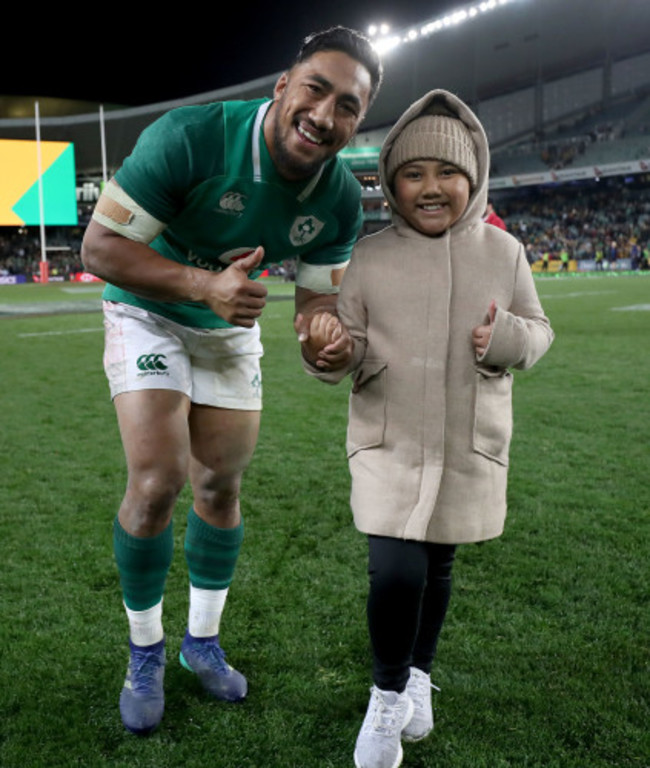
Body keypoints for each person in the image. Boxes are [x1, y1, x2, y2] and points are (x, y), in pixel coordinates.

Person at [80, 25, 383, 736]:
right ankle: (145, 652)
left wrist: (323, 343)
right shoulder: (190, 137)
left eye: (349, 106)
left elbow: (316, 304)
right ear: (283, 85)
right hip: (147, 309)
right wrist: (198, 284)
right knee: (157, 483)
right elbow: (99, 246)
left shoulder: (337, 200)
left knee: (220, 486)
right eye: (316, 88)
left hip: (228, 324)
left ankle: (202, 643)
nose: (326, 114)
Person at [299, 89, 554, 768]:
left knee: (438, 564)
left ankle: (419, 673)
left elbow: (539, 333)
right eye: (413, 174)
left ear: (474, 179)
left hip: (469, 440)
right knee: (396, 570)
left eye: (447, 172)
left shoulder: (505, 251)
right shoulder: (370, 256)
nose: (431, 187)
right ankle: (386, 698)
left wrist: (503, 338)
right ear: (390, 182)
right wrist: (329, 351)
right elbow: (344, 343)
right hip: (390, 443)